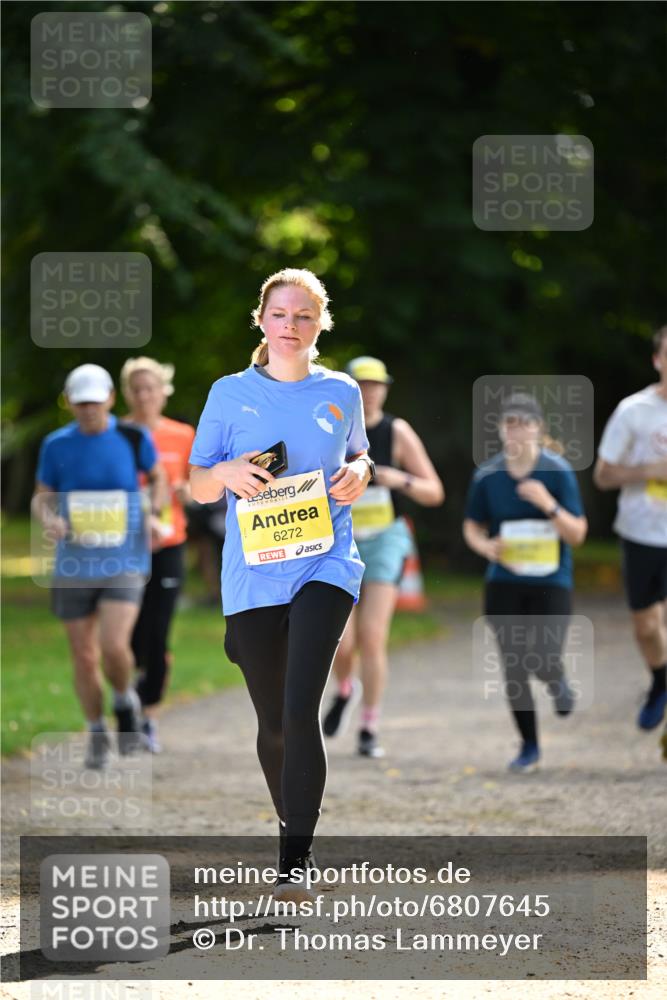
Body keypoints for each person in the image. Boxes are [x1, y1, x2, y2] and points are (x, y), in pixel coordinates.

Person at [189, 268, 373, 900]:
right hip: (254, 573)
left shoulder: (342, 390)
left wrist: (362, 471)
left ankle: (296, 861)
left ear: (320, 324)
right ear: (261, 320)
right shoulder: (227, 392)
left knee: (301, 707)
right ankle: (290, 815)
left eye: (303, 316)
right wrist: (228, 469)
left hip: (327, 559)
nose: (290, 326)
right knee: (273, 721)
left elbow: (358, 454)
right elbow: (196, 484)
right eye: (280, 314)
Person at [32, 364, 167, 769]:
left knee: (113, 645)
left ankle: (125, 698)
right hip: (74, 563)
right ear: (70, 404)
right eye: (81, 403)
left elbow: (158, 478)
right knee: (84, 656)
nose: (89, 410)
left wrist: (155, 511)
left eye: (95, 401)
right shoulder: (56, 445)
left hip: (124, 559)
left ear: (110, 399)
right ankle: (95, 730)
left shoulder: (132, 436)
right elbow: (42, 495)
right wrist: (51, 518)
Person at [322, 356, 445, 757]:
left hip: (386, 540)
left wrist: (400, 479)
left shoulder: (396, 431)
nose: (371, 392)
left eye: (378, 385)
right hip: (341, 540)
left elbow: (434, 491)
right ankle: (345, 689)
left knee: (372, 638)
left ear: (385, 390)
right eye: (363, 384)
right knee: (340, 641)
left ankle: (369, 726)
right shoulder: (331, 428)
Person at [463, 392, 588, 772]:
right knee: (514, 666)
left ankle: (558, 680)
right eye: (510, 423)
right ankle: (529, 747)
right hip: (505, 581)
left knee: (543, 654)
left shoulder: (557, 471)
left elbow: (578, 534)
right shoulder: (487, 475)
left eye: (525, 423)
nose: (517, 430)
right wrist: (486, 547)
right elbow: (471, 526)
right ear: (501, 429)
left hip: (552, 580)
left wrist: (546, 502)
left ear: (539, 428)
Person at [594, 326, 667, 747]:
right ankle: (660, 680)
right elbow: (603, 475)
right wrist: (648, 473)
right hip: (641, 532)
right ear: (657, 361)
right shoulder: (633, 410)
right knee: (646, 626)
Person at [121, 356, 196, 753]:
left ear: (163, 391)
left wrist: (187, 490)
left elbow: (200, 481)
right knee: (126, 634)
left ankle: (148, 716)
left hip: (169, 542)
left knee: (158, 631)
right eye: (137, 388)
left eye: (151, 387)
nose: (145, 395)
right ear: (127, 394)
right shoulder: (117, 433)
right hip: (124, 544)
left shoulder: (183, 434)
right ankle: (131, 695)